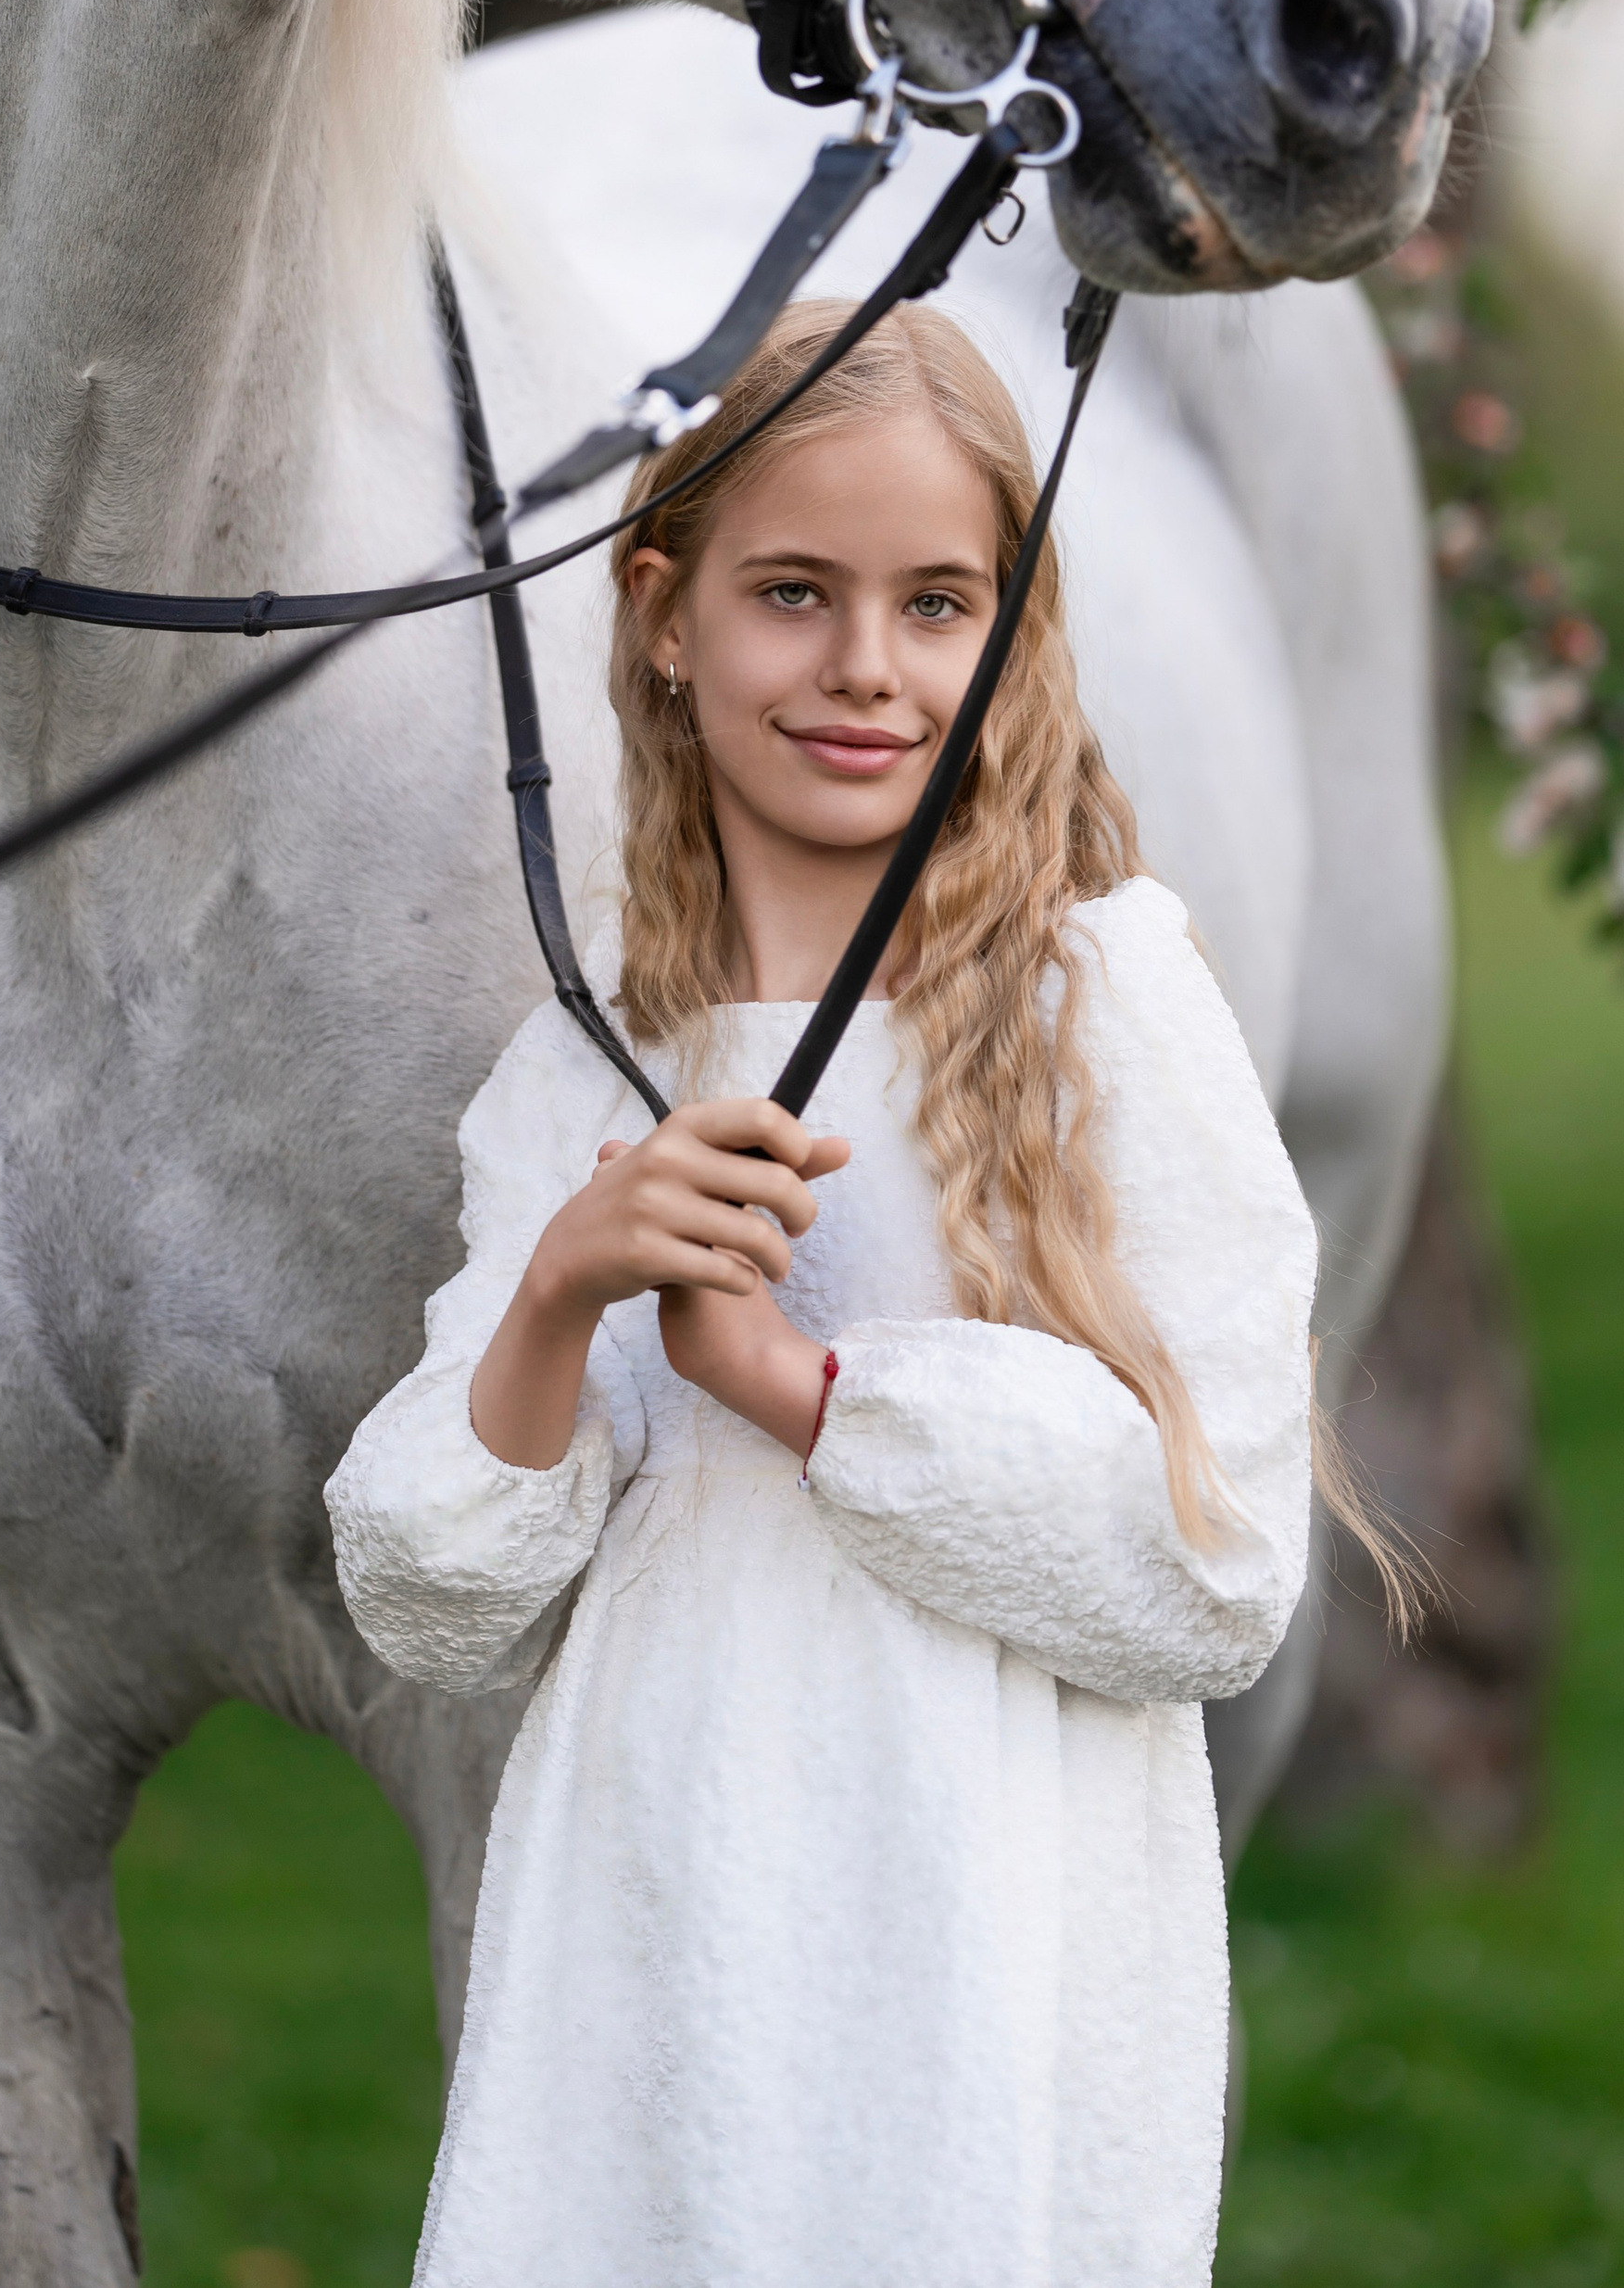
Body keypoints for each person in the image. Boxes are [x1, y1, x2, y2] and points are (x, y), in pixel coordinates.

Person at [328, 297, 1392, 2288]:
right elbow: (432, 1600)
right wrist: (562, 1290)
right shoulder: (588, 1068)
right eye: (792, 593)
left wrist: (802, 1389)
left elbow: (1213, 1574)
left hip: (989, 1936)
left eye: (933, 605)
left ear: (1007, 628)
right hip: (648, 1920)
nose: (863, 669)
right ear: (663, 612)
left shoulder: (1109, 1008)